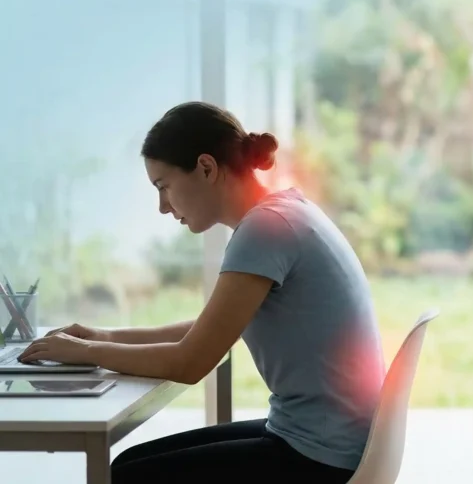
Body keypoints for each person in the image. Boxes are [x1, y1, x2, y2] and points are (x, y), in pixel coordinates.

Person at [19, 102, 385, 483]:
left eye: (164, 186)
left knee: (130, 475)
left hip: (318, 457)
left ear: (206, 168)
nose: (162, 207)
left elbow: (191, 362)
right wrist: (104, 336)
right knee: (131, 463)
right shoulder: (285, 211)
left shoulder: (264, 231)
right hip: (329, 439)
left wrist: (88, 354)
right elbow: (211, 328)